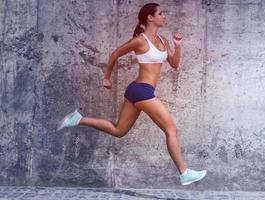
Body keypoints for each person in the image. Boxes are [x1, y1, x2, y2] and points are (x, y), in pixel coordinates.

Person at [57, 3, 207, 186]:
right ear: (150, 18)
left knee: (119, 130)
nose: (164, 16)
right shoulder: (140, 40)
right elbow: (115, 54)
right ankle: (184, 173)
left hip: (138, 91)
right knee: (171, 130)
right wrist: (106, 77)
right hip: (141, 90)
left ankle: (78, 119)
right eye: (161, 13)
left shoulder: (163, 40)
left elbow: (175, 64)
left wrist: (178, 46)